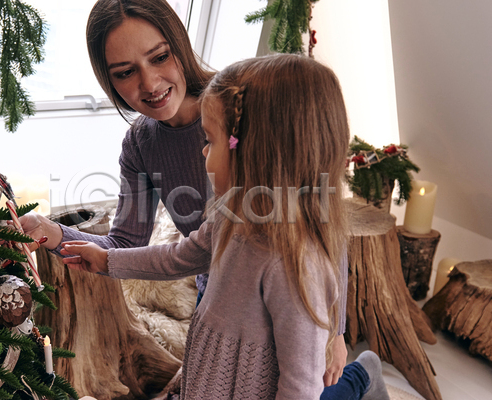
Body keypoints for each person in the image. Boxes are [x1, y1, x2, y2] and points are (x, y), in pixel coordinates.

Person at [21, 0, 348, 389]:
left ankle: (360, 378)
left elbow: (319, 219)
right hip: (217, 293)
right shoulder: (141, 144)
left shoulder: (242, 104)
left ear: (179, 44)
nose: (150, 84)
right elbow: (131, 243)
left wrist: (336, 328)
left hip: (284, 293)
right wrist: (57, 235)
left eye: (159, 57)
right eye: (126, 73)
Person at [57, 54, 389, 400]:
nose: (202, 152)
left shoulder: (294, 266)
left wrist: (336, 335)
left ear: (253, 153)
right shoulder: (230, 219)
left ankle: (363, 374)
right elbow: (176, 258)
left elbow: (301, 386)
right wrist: (105, 260)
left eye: (211, 141)